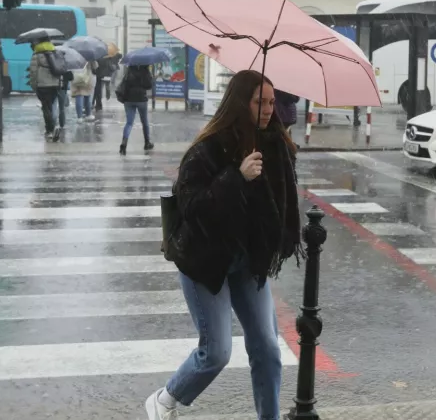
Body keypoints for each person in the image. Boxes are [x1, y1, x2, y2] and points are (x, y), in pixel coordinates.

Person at [145, 70, 300, 420]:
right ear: (239, 103)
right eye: (260, 101)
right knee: (216, 353)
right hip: (205, 261)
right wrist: (237, 177)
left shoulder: (274, 145)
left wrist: (280, 163)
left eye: (272, 103)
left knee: (267, 348)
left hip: (247, 261)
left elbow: (281, 205)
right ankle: (166, 398)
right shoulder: (208, 148)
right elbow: (192, 207)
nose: (267, 109)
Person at [117, 64, 154, 155]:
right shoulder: (145, 71)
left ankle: (124, 143)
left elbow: (124, 84)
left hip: (129, 100)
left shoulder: (129, 72)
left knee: (129, 123)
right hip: (141, 99)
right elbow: (149, 86)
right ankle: (147, 143)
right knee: (144, 122)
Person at [28, 40, 62, 139]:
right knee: (52, 106)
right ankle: (54, 126)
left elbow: (33, 73)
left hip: (42, 85)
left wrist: (34, 86)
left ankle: (50, 130)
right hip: (55, 85)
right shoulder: (55, 53)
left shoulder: (36, 56)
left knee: (46, 108)